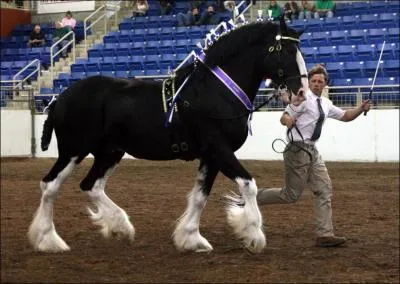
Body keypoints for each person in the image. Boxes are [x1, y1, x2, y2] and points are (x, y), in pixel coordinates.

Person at [256, 64, 372, 247]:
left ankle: (325, 234)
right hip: (296, 150)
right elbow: (284, 116)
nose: (317, 84)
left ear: (326, 84)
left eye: (321, 81)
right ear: (308, 83)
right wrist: (288, 121)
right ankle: (253, 198)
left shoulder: (326, 104)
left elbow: (346, 116)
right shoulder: (302, 98)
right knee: (291, 195)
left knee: (324, 188)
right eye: (314, 81)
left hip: (312, 150)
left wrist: (361, 108)